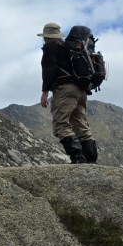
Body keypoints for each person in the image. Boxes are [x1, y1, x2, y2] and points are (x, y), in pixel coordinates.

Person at [38, 22, 98, 164]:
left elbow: (49, 69)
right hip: (81, 90)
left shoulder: (50, 47)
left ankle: (77, 158)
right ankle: (91, 159)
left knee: (61, 124)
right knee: (80, 124)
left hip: (65, 89)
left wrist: (45, 91)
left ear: (46, 36)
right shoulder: (69, 47)